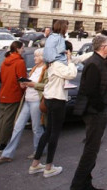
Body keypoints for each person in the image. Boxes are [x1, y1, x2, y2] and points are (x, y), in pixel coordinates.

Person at [70, 35, 107, 190]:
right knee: (90, 150)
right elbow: (90, 90)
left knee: (93, 149)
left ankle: (86, 183)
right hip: (95, 112)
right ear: (103, 47)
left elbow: (101, 85)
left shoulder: (101, 62)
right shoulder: (94, 63)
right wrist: (101, 106)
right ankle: (78, 185)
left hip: (99, 110)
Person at [28, 40, 77, 178]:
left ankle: (36, 163)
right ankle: (49, 167)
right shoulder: (57, 64)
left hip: (50, 99)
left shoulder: (52, 63)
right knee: (54, 133)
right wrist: (70, 60)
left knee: (48, 131)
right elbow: (71, 74)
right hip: (56, 100)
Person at [0, 48, 47, 164]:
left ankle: (39, 149)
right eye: (35, 56)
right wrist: (25, 84)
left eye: (37, 56)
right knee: (17, 127)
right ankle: (7, 154)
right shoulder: (34, 69)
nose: (34, 58)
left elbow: (47, 86)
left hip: (36, 101)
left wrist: (33, 84)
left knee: (36, 128)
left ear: (43, 57)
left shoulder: (45, 69)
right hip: (27, 100)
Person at [0, 41, 27, 151]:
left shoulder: (5, 61)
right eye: (22, 48)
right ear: (17, 49)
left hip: (4, 91)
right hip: (14, 93)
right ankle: (2, 143)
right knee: (9, 120)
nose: (23, 50)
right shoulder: (19, 62)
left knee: (3, 118)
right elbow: (22, 80)